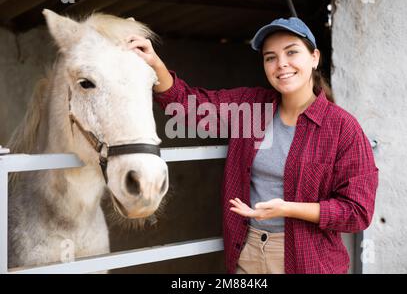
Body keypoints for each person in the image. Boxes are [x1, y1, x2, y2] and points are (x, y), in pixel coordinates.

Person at [127, 17, 379, 274]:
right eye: (270, 57)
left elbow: (357, 212)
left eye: (292, 52)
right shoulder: (251, 108)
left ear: (314, 58)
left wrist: (288, 208)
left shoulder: (342, 128)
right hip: (247, 251)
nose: (281, 64)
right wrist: (154, 63)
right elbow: (187, 105)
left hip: (307, 261)